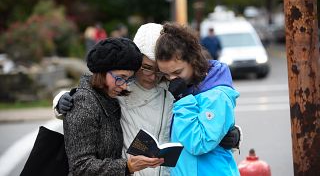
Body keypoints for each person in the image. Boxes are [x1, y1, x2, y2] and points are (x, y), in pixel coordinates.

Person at [54, 23, 241, 176]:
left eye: (158, 70)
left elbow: (209, 115)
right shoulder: (121, 85)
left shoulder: (174, 86)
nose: (152, 76)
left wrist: (234, 134)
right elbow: (90, 101)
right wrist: (61, 101)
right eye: (146, 67)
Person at [63, 37, 164, 175]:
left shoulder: (108, 98)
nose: (123, 85)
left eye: (127, 79)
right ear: (102, 71)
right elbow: (80, 166)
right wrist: (127, 166)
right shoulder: (84, 103)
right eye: (120, 77)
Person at [155, 22, 240, 175]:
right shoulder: (188, 86)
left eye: (177, 72)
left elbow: (198, 143)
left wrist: (182, 100)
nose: (173, 79)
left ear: (193, 60)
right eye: (166, 75)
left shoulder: (216, 94)